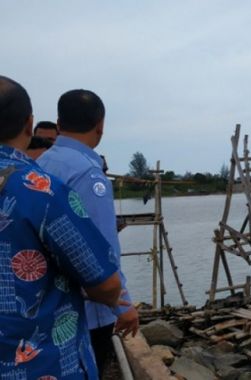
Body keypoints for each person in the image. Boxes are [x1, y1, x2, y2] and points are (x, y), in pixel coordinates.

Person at [0, 76, 123, 378]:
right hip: (39, 364)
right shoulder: (39, 189)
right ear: (29, 124)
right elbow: (105, 282)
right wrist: (118, 301)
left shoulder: (46, 170)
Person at [38, 89, 139, 374]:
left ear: (59, 123)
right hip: (89, 310)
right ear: (100, 125)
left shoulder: (39, 165)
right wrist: (124, 305)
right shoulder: (88, 174)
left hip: (50, 303)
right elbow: (103, 250)